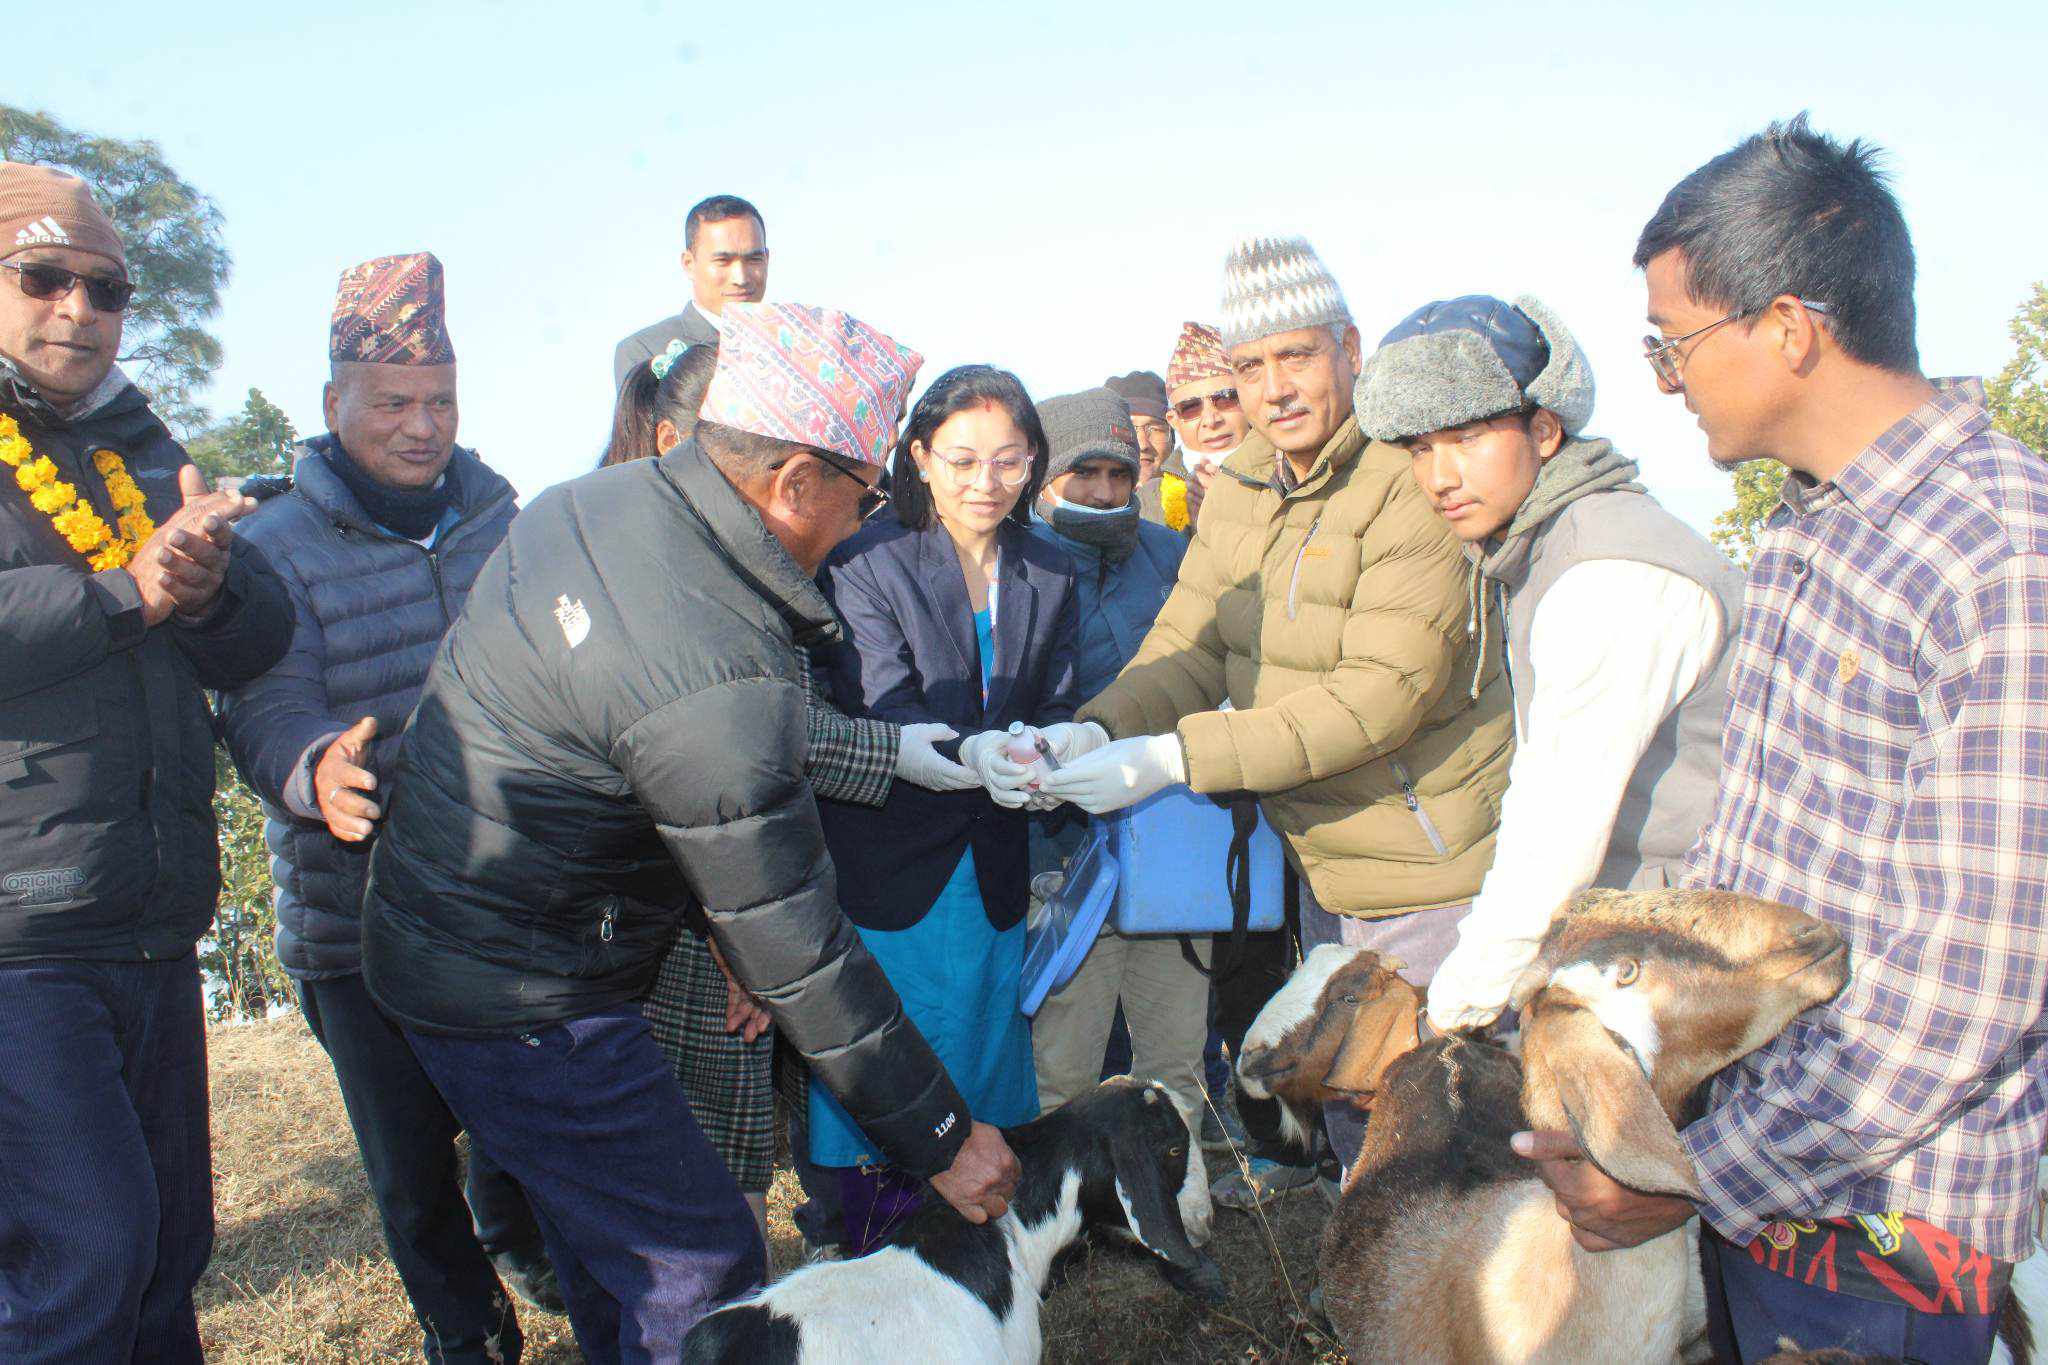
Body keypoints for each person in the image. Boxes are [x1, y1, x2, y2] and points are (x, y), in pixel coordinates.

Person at [361, 303, 1019, 1355]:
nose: (862, 523)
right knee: (698, 1266)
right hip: (523, 993)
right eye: (861, 494)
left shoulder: (594, 505)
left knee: (607, 1242)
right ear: (791, 483)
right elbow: (798, 949)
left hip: (456, 938)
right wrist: (941, 1134)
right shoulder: (714, 665)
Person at [1518, 116, 2048, 1365]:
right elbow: (1751, 863)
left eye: (1674, 342)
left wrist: (1696, 1175)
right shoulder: (1811, 529)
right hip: (1763, 1170)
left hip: (1884, 1216)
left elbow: (1969, 983)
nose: (1665, 380)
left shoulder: (1995, 556)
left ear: (1790, 329)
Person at [1043, 234, 1514, 1180]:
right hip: (1327, 860)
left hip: (1431, 865)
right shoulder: (1246, 487)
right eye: (1250, 367)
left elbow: (1377, 698)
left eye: (1295, 355)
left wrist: (1175, 758)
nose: (1274, 389)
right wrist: (1093, 726)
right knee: (1356, 1120)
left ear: (1350, 347)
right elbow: (1189, 645)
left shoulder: (1406, 479)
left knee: (1441, 1139)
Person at [218, 253, 554, 1360]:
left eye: (441, 401)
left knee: (528, 1131)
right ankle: (470, 1339)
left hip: (508, 904)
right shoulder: (271, 545)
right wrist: (315, 767)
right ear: (332, 404)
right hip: (354, 921)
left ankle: (523, 1241)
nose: (422, 427)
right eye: (394, 402)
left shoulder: (503, 520)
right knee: (411, 1175)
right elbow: (264, 705)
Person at [0, 162, 293, 1362]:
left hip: (152, 915)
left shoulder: (134, 439)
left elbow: (260, 633)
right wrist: (130, 592)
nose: (79, 309)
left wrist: (206, 585)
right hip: (18, 936)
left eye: (107, 288)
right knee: (89, 1251)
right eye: (42, 277)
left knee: (168, 1250)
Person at [598, 338, 977, 1254]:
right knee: (696, 1166)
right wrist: (731, 934)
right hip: (679, 915)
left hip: (746, 892)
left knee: (756, 1145)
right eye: (860, 494)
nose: (859, 523)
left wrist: (898, 750)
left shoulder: (746, 560)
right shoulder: (665, 584)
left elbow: (788, 727)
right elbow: (717, 765)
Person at [1348, 293, 1742, 1036]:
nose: (1439, 475)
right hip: (1643, 940)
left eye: (1466, 437)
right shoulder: (1541, 546)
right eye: (1419, 448)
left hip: (1694, 962)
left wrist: (1454, 1009)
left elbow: (1559, 828)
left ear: (1546, 429)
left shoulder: (1608, 571)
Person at [806, 363, 1082, 1252]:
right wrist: (978, 754)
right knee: (891, 1052)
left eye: (1008, 460)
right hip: (896, 856)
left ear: (1034, 461)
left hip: (994, 856)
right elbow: (882, 706)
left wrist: (1053, 745)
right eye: (962, 460)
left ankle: (977, 1250)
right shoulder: (866, 559)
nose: (985, 483)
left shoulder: (1049, 564)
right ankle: (875, 1250)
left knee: (983, 1044)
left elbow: (1059, 695)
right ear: (920, 457)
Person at [1021, 388, 1205, 1139]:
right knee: (1062, 1062)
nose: (1103, 491)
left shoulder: (1170, 554)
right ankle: (1061, 1202)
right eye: (1084, 472)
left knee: (1176, 1057)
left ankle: (1181, 1191)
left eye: (1118, 473)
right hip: (1061, 850)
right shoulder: (1015, 560)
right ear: (1045, 477)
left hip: (1173, 831)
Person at [611, 194, 767, 389]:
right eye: (723, 261)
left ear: (767, 259)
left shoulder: (792, 344)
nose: (741, 278)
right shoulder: (644, 350)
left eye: (754, 260)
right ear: (689, 264)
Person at [1155, 321, 1247, 536]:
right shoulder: (1148, 500)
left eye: (1226, 398)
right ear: (1173, 420)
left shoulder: (1288, 477)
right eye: (1190, 407)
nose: (1211, 420)